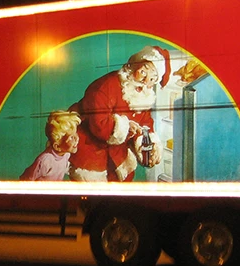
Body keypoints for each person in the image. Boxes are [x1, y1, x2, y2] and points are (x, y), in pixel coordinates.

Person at [68, 45, 170, 182]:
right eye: (144, 72)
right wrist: (127, 127)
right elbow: (99, 124)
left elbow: (145, 121)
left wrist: (149, 145)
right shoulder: (105, 86)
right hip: (91, 154)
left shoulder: (143, 93)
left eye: (153, 79)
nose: (146, 81)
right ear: (135, 64)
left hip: (119, 157)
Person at [20, 110, 81, 181]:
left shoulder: (66, 154)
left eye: (75, 133)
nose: (77, 139)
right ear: (57, 147)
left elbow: (63, 168)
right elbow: (25, 179)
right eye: (71, 137)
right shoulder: (45, 160)